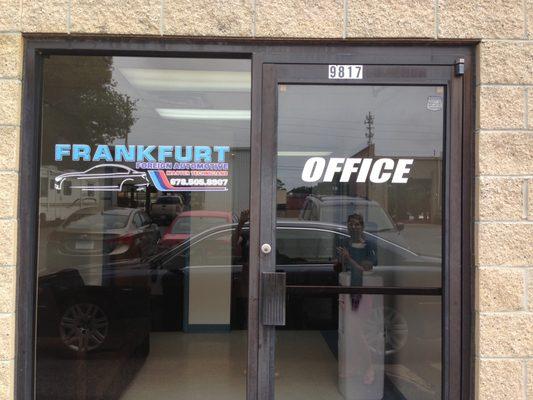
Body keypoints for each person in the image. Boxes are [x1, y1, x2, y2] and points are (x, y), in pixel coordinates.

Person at [335, 213, 377, 385]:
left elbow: (364, 269)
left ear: (362, 227)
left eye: (357, 224)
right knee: (350, 332)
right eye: (350, 224)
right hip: (346, 288)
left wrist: (348, 258)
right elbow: (340, 268)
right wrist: (339, 261)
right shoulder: (344, 243)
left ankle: (369, 366)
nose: (353, 227)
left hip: (361, 291)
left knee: (357, 330)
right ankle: (355, 365)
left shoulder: (369, 245)